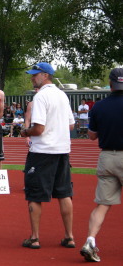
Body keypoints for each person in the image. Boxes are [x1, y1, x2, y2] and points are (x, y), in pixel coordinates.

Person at [20, 62, 76, 250]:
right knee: (64, 193)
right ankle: (69, 236)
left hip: (42, 152)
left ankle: (34, 237)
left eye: (35, 74)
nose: (32, 77)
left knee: (35, 195)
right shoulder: (62, 95)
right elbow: (70, 125)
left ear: (45, 75)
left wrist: (25, 132)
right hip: (62, 151)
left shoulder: (41, 97)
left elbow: (39, 128)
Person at [79, 68, 123, 262]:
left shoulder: (98, 106)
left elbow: (91, 135)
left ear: (111, 83)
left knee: (102, 205)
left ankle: (90, 240)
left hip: (107, 157)